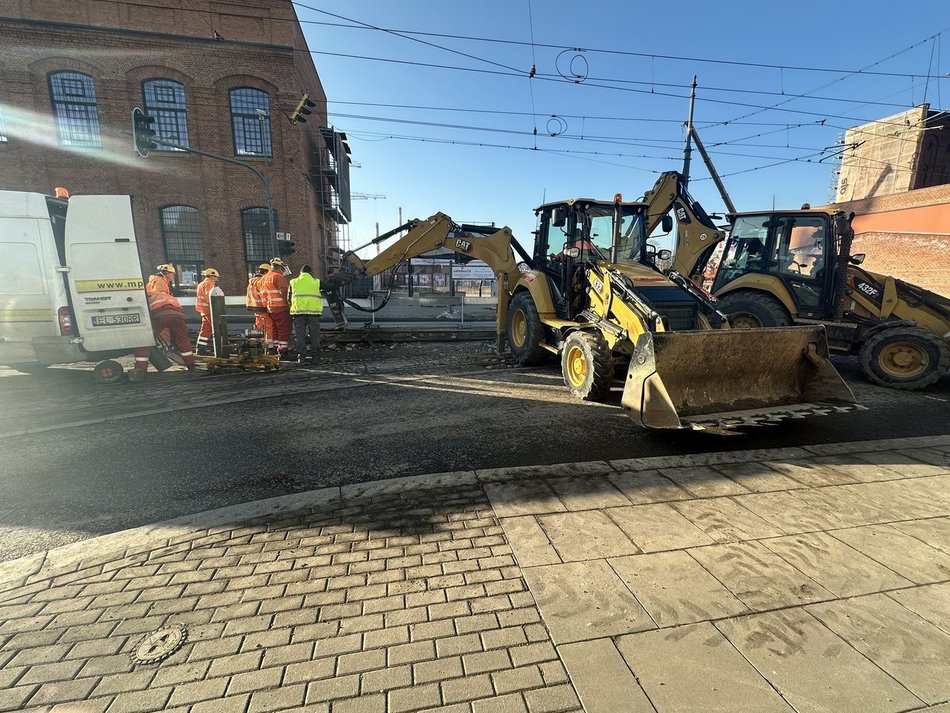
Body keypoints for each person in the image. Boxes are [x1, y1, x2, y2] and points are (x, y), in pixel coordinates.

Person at [130, 264, 195, 382]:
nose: (173, 277)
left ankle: (140, 369)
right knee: (183, 339)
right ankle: (191, 365)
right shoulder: (159, 281)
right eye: (173, 274)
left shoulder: (157, 282)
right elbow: (160, 295)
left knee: (145, 340)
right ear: (167, 273)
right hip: (176, 313)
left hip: (160, 314)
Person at [289, 264, 324, 362]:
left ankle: (301, 356)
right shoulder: (317, 282)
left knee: (300, 335)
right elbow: (329, 287)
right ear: (310, 273)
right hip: (313, 314)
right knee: (314, 335)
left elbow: (288, 297)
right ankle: (316, 356)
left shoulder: (293, 282)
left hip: (298, 313)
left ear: (301, 273)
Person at [259, 257, 291, 356]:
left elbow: (262, 295)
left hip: (270, 308)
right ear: (279, 267)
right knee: (283, 329)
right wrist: (290, 305)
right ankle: (283, 350)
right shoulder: (278, 277)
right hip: (281, 308)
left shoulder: (264, 278)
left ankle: (275, 348)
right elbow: (284, 293)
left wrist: (267, 307)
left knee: (275, 329)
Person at [194, 268, 221, 355]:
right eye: (216, 277)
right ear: (212, 276)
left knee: (206, 330)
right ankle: (220, 348)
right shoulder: (209, 284)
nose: (217, 279)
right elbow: (210, 298)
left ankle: (200, 349)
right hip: (210, 310)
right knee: (217, 328)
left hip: (204, 310)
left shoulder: (201, 284)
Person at [246, 263, 270, 338]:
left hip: (254, 307)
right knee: (268, 326)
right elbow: (264, 295)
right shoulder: (262, 281)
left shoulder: (252, 282)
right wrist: (268, 306)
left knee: (259, 325)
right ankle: (268, 342)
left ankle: (259, 340)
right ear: (266, 272)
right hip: (263, 307)